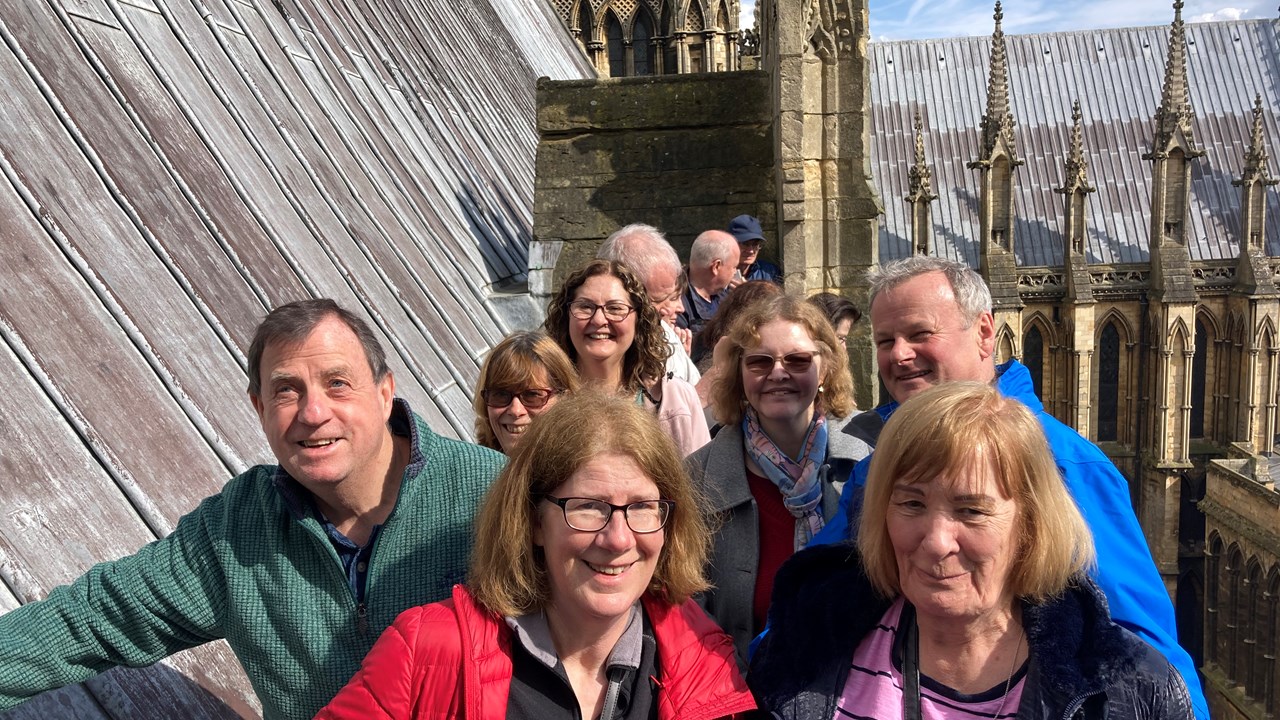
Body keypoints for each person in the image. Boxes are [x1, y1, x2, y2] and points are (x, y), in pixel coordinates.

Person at [0, 299, 506, 719]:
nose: (313, 413)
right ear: (260, 408)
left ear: (384, 392)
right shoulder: (238, 529)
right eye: (287, 390)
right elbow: (91, 619)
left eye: (337, 383)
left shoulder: (495, 496)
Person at [809, 255, 1210, 719]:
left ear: (984, 333)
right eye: (885, 341)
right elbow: (817, 593)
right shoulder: (880, 466)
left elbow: (1144, 657)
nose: (899, 354)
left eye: (920, 334)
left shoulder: (1064, 464)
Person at [750, 382, 1193, 719]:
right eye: (911, 503)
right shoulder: (807, 643)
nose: (937, 541)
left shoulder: (1127, 685)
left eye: (972, 510)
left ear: (1031, 524)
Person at [316, 390, 756, 720]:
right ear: (532, 522)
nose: (619, 539)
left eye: (642, 507)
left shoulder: (706, 658)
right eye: (589, 507)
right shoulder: (427, 651)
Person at [687, 294, 871, 663]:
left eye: (798, 360)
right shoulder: (696, 479)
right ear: (740, 374)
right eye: (759, 361)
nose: (777, 373)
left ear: (827, 369)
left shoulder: (867, 458)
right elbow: (689, 611)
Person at [545, 259, 710, 457]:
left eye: (615, 308)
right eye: (585, 307)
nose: (599, 320)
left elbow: (701, 483)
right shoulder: (536, 397)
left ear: (639, 320)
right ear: (566, 316)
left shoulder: (676, 399)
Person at [597, 223, 701, 383]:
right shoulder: (584, 341)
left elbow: (691, 402)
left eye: (672, 296)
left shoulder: (667, 336)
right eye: (659, 300)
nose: (680, 308)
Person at [473, 330, 579, 453]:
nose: (515, 411)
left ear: (565, 400)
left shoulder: (588, 468)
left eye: (532, 395)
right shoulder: (471, 468)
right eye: (501, 395)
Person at [677, 230, 739, 336]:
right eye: (734, 267)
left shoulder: (729, 296)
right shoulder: (677, 304)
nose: (735, 273)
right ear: (716, 266)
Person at [726, 214, 782, 285]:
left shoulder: (770, 272)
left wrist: (746, 291)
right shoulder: (718, 272)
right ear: (731, 244)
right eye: (745, 244)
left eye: (755, 244)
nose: (751, 251)